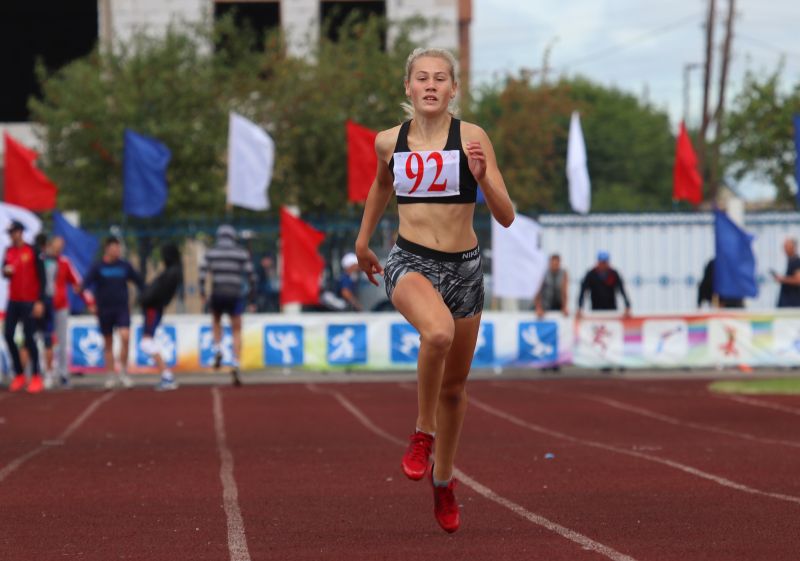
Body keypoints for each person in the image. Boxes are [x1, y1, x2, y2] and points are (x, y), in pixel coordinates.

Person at [355, 47, 514, 533]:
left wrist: (484, 181)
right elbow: (381, 187)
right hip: (410, 261)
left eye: (440, 78)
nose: (430, 85)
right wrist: (363, 241)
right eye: (421, 77)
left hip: (464, 269)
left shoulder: (472, 138)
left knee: (455, 388)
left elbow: (507, 216)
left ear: (453, 89)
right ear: (408, 86)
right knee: (438, 333)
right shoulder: (389, 141)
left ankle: (443, 480)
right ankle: (422, 433)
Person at [81, 236, 144, 389]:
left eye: (118, 248)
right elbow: (84, 286)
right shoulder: (98, 267)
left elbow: (140, 282)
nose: (117, 251)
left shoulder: (125, 266)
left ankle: (123, 373)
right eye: (114, 248)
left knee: (125, 337)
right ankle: (110, 375)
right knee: (108, 343)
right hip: (104, 310)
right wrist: (90, 304)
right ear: (107, 249)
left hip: (122, 309)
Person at [198, 224, 256, 387]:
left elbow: (202, 272)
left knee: (216, 321)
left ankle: (218, 348)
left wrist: (202, 292)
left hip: (218, 293)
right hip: (235, 294)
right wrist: (251, 296)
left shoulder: (212, 252)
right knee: (236, 329)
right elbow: (251, 275)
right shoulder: (240, 252)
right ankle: (236, 362)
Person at [42, 235, 94, 388]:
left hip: (61, 307)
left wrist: (89, 301)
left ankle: (63, 373)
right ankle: (46, 373)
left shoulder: (65, 262)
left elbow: (77, 283)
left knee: (62, 341)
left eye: (61, 246)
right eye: (56, 245)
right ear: (50, 245)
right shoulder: (41, 261)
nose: (58, 248)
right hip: (44, 307)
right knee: (45, 340)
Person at [2, 221, 46, 393]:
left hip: (30, 300)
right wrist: (6, 272)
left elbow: (42, 278)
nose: (12, 235)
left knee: (29, 338)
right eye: (10, 233)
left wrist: (40, 301)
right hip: (13, 300)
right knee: (8, 335)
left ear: (20, 232)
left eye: (14, 232)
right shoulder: (9, 251)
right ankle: (19, 374)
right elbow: (4, 271)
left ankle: (36, 375)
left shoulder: (33, 250)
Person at [139, 243, 183, 391]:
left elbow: (156, 292)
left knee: (146, 342)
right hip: (154, 308)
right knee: (148, 341)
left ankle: (167, 375)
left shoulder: (171, 273)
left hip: (153, 309)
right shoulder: (174, 271)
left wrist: (145, 298)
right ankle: (166, 374)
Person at [576, 251, 631, 318]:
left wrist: (627, 306)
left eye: (605, 262)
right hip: (595, 310)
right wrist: (580, 307)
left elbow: (622, 290)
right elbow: (583, 291)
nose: (603, 265)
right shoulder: (591, 274)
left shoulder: (614, 274)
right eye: (601, 262)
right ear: (598, 262)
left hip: (611, 310)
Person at [773, 237, 800, 308]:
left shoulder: (796, 261)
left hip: (792, 304)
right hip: (786, 303)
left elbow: (798, 280)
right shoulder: (790, 261)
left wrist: (782, 279)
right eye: (784, 246)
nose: (784, 249)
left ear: (794, 247)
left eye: (787, 246)